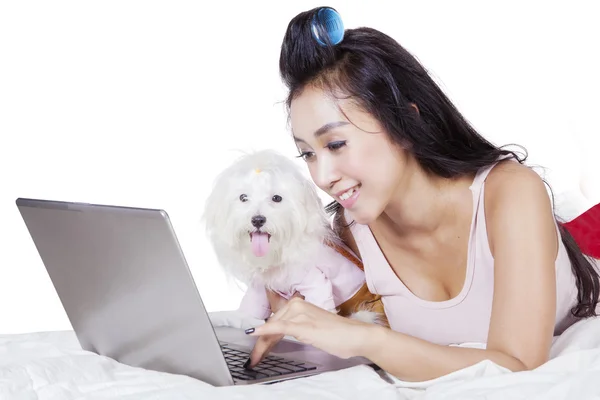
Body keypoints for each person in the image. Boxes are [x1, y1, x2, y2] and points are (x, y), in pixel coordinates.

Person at [243, 6, 600, 381]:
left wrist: (367, 339)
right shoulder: (353, 232)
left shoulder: (510, 192)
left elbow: (519, 364)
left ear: (405, 123)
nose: (323, 175)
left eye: (335, 144)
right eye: (308, 154)